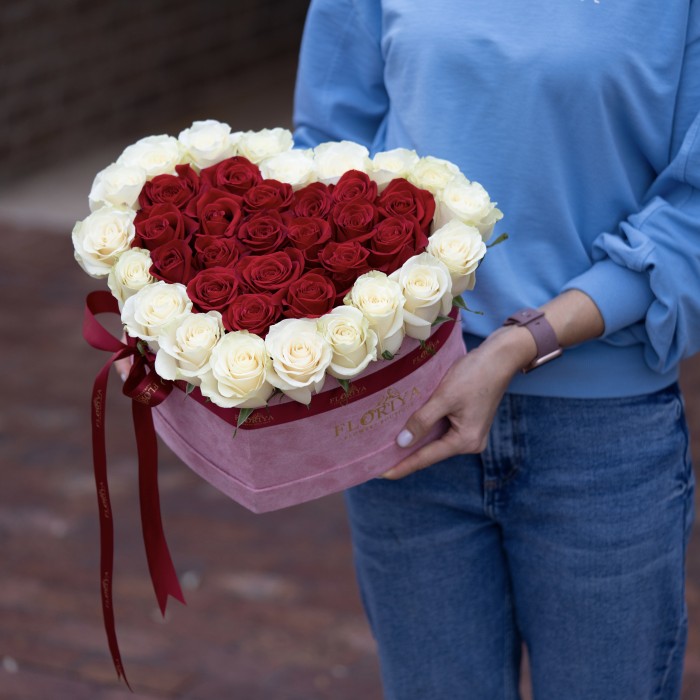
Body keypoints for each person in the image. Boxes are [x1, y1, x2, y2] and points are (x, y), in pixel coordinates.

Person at [293, 2, 700, 699]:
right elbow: (324, 155)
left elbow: (692, 214)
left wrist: (519, 343)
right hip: (404, 411)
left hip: (602, 443)